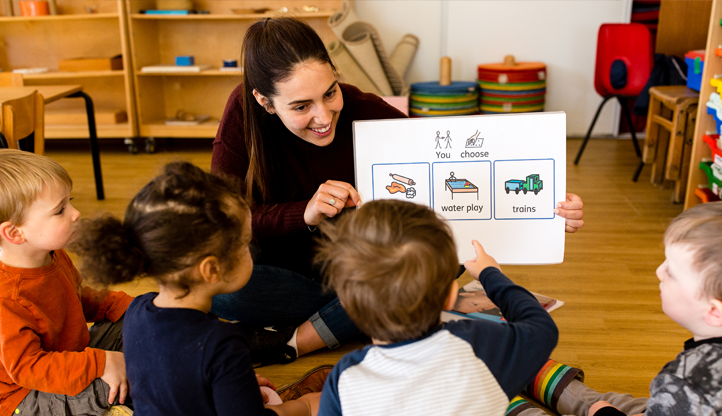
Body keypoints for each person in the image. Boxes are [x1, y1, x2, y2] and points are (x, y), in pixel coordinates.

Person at [211, 16, 586, 363]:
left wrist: (547, 212)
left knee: (442, 254)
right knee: (223, 287)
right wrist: (303, 213)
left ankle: (297, 341)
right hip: (283, 271)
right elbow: (221, 223)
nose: (324, 117)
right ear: (265, 101)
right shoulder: (243, 113)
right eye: (301, 106)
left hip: (360, 268)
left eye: (330, 93)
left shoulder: (367, 111)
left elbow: (448, 173)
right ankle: (366, 312)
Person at [68, 161, 321, 416]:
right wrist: (302, 407)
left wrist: (232, 383)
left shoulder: (136, 311)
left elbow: (169, 382)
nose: (251, 251)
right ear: (211, 270)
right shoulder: (223, 343)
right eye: (246, 244)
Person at [313, 199, 559, 415]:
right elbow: (542, 328)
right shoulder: (480, 347)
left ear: (346, 305)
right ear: (451, 295)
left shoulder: (343, 379)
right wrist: (490, 274)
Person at [508, 202, 722, 416]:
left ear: (714, 312)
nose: (658, 271)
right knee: (623, 404)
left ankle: (493, 397)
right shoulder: (690, 382)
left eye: (671, 271)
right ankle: (529, 369)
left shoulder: (684, 379)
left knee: (603, 404)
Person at [0, 149, 133, 416]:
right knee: (110, 388)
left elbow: (77, 296)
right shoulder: (6, 298)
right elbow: (30, 368)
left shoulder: (51, 252)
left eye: (69, 201)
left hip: (70, 356)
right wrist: (102, 361)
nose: (75, 213)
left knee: (144, 319)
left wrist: (136, 307)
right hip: (25, 394)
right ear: (14, 232)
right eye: (60, 210)